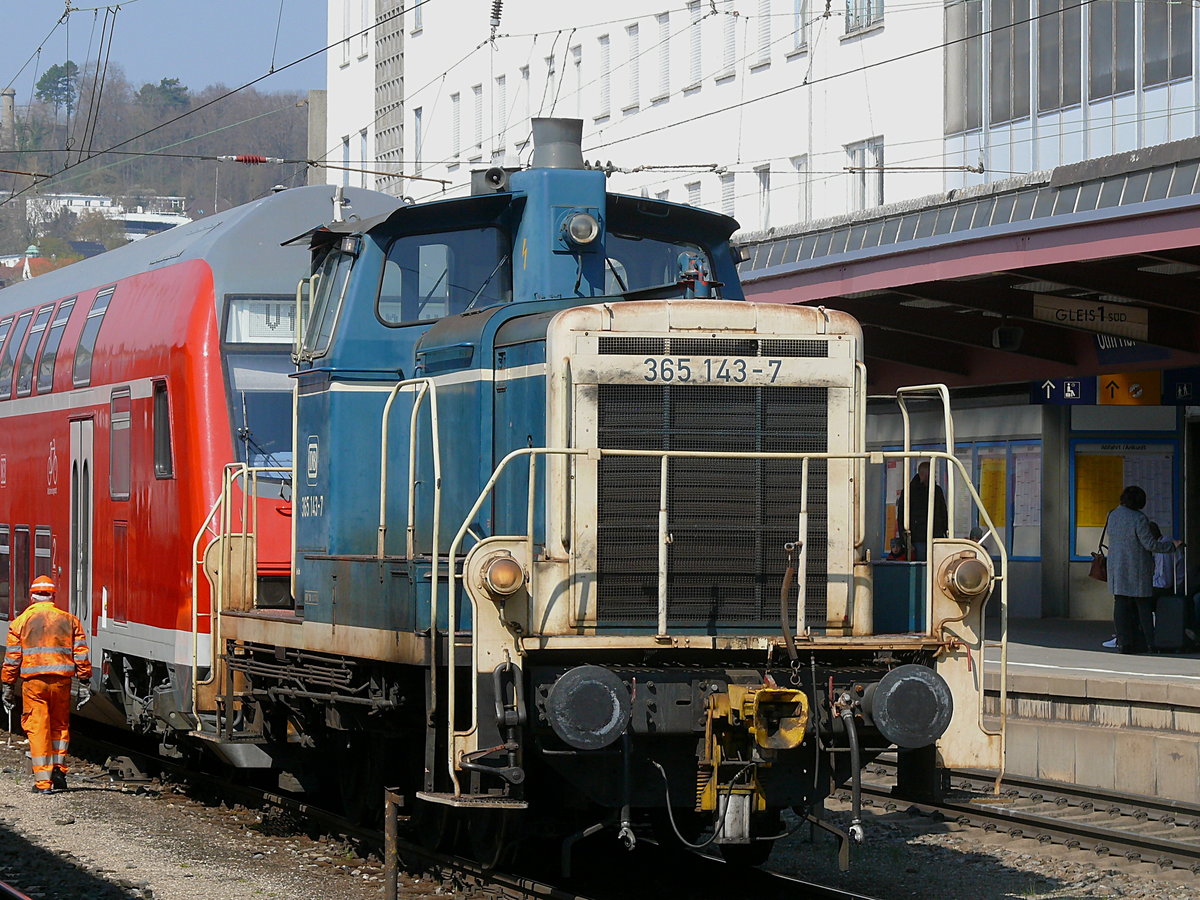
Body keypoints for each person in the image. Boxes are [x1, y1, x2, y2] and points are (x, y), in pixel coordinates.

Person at [1, 576, 92, 793]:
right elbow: (80, 652)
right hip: (61, 682)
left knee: (38, 728)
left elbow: (12, 658)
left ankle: (43, 783)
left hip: (34, 685)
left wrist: (7, 685)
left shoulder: (21, 622)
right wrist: (85, 680)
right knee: (60, 726)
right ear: (52, 595)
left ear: (32, 596)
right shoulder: (69, 620)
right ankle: (59, 771)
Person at [1105, 487, 1181, 655]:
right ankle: (1150, 642)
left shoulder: (1112, 514)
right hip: (1137, 567)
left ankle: (1124, 642)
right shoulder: (1139, 518)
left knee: (1121, 602)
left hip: (1117, 566)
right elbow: (1150, 544)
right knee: (1143, 604)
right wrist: (1172, 546)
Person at [895, 461, 948, 562]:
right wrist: (905, 539)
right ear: (923, 474)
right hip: (918, 538)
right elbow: (902, 515)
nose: (934, 476)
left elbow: (943, 513)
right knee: (921, 567)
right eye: (932, 473)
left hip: (935, 537)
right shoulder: (910, 492)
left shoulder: (937, 490)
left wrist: (944, 531)